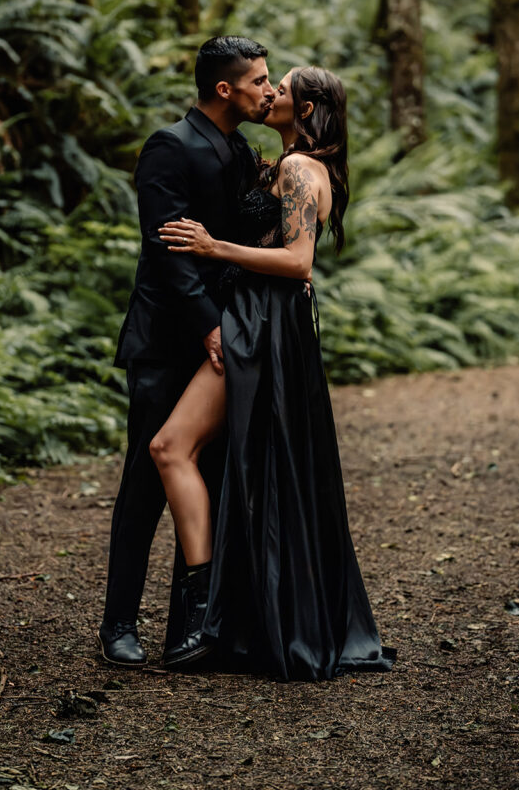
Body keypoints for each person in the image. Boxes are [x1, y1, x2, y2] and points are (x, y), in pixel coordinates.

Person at [154, 66, 396, 680]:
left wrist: (214, 247)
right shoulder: (290, 162)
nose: (271, 95)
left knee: (170, 445)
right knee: (261, 462)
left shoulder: (296, 170)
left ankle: (207, 615)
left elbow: (298, 261)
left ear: (308, 109)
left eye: (282, 89)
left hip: (264, 318)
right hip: (266, 317)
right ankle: (238, 617)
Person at [98, 35, 275, 667]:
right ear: (224, 88)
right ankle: (118, 625)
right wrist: (207, 325)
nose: (268, 87)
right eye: (257, 80)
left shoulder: (243, 147)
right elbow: (165, 249)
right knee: (145, 481)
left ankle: (189, 629)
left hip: (227, 342)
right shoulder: (170, 146)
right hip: (169, 340)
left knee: (208, 475)